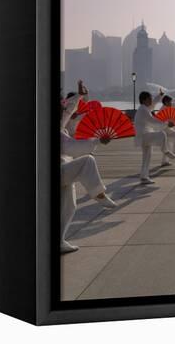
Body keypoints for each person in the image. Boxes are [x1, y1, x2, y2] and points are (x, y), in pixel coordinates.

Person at [60, 80, 117, 254]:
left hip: (66, 167)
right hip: (60, 170)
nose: (66, 112)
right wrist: (98, 140)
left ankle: (59, 240)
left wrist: (79, 96)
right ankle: (98, 193)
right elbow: (73, 147)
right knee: (87, 161)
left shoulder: (59, 123)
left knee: (70, 207)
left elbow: (68, 109)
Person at [134, 90, 175, 184]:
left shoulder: (144, 108)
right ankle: (165, 150)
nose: (151, 100)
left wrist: (160, 96)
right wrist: (166, 124)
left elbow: (153, 104)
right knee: (162, 134)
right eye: (149, 99)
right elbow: (153, 121)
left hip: (143, 137)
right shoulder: (143, 110)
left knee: (147, 157)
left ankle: (144, 177)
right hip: (144, 136)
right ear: (144, 100)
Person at [160, 94, 175, 166]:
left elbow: (173, 105)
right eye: (170, 102)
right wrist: (168, 124)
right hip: (163, 130)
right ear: (166, 102)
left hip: (167, 129)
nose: (171, 103)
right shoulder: (163, 109)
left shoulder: (168, 106)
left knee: (168, 145)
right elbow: (160, 120)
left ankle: (165, 162)